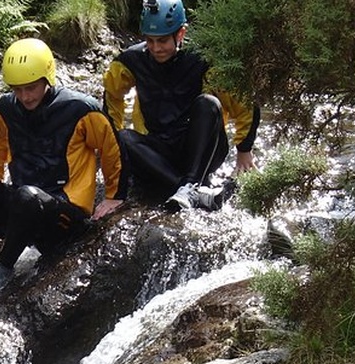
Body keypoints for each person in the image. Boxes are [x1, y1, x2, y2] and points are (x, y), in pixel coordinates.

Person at [0, 38, 125, 292]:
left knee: (27, 196)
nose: (25, 96)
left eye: (31, 88)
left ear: (47, 77)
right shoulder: (3, 109)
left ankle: (3, 270)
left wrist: (114, 195)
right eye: (18, 89)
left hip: (65, 215)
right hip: (24, 209)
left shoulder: (81, 108)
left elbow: (112, 149)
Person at [103, 0, 261, 211]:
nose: (156, 48)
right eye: (150, 41)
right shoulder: (131, 61)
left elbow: (243, 101)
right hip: (159, 154)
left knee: (208, 103)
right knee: (121, 137)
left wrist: (244, 148)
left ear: (181, 34)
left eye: (163, 41)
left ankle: (189, 184)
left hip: (201, 149)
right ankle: (188, 189)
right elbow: (112, 97)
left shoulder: (203, 59)